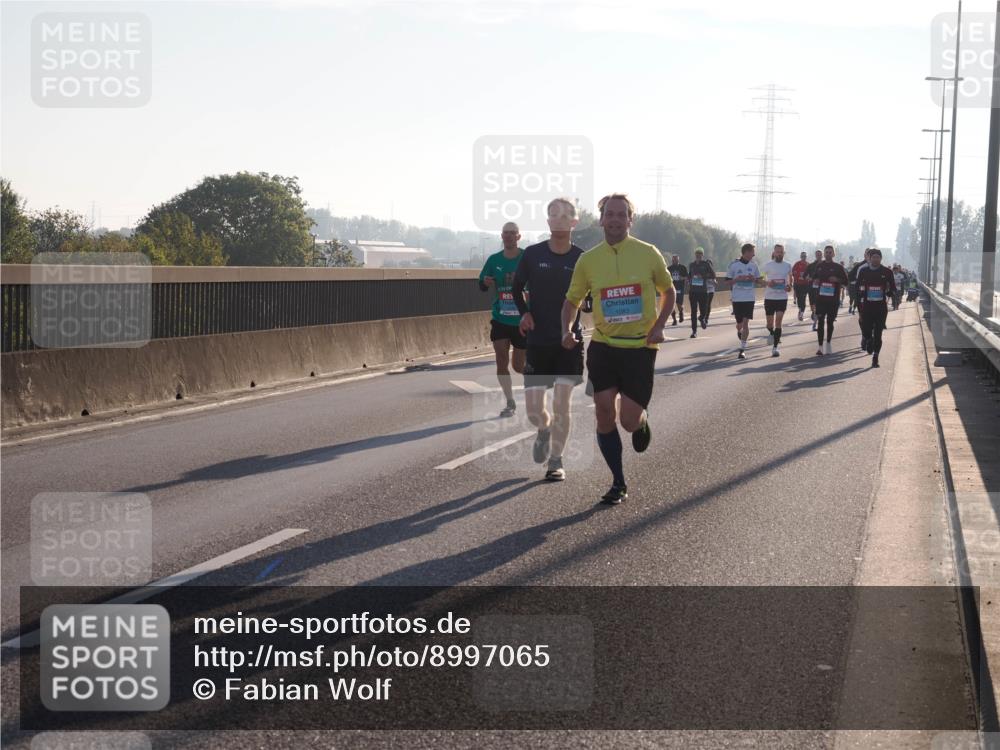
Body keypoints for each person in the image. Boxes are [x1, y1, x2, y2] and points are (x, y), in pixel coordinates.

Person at [563, 193, 675, 506]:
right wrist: (566, 328)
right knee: (602, 410)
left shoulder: (648, 253)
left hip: (640, 347)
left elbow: (669, 291)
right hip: (604, 346)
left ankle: (640, 420)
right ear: (601, 219)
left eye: (620, 215)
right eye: (609, 214)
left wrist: (659, 325)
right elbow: (572, 300)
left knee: (627, 420)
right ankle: (618, 481)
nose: (614, 220)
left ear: (630, 220)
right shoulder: (588, 260)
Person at [512, 198, 585, 481]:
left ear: (574, 222)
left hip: (568, 342)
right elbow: (517, 288)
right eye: (553, 214)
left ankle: (556, 460)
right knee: (534, 412)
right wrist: (524, 314)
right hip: (538, 341)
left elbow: (590, 293)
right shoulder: (532, 254)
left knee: (562, 404)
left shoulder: (582, 258)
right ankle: (543, 429)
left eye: (565, 215)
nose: (558, 219)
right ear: (547, 221)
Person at [478, 222, 525, 417]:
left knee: (518, 366)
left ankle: (536, 381)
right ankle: (510, 401)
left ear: (518, 236)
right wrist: (485, 282)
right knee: (501, 361)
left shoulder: (526, 258)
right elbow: (481, 283)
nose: (508, 236)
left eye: (512, 233)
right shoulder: (494, 260)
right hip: (500, 318)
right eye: (505, 233)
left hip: (522, 320)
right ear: (501, 236)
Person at [856, 249, 897, 368]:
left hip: (880, 308)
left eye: (877, 257)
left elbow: (893, 287)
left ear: (881, 258)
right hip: (867, 306)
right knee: (866, 329)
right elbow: (858, 287)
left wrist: (890, 293)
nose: (875, 259)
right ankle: (868, 339)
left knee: (878, 333)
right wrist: (860, 295)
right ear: (869, 258)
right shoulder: (864, 271)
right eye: (873, 257)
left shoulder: (887, 271)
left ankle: (875, 357)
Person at [811, 245, 849, 355]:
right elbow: (814, 278)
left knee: (830, 322)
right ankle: (820, 347)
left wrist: (837, 279)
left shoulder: (838, 267)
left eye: (830, 252)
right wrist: (816, 280)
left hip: (833, 300)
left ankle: (828, 343)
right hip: (821, 299)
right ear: (824, 253)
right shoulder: (819, 266)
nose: (828, 254)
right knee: (821, 322)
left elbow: (846, 282)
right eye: (826, 252)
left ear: (833, 254)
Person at [726, 243, 761, 360]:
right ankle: (739, 330)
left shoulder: (754, 265)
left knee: (746, 323)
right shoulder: (734, 265)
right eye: (752, 252)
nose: (754, 254)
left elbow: (759, 280)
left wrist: (754, 279)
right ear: (746, 252)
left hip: (749, 298)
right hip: (737, 298)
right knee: (739, 324)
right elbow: (727, 282)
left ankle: (742, 349)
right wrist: (737, 279)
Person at [762, 244, 792, 357]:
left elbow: (790, 279)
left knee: (778, 322)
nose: (779, 254)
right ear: (774, 253)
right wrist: (768, 283)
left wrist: (789, 286)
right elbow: (760, 279)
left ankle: (775, 348)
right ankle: (771, 332)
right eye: (777, 252)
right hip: (769, 297)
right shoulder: (768, 265)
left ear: (784, 253)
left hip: (782, 298)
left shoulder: (788, 265)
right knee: (770, 324)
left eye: (781, 252)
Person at [687, 247, 716, 337]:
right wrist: (688, 280)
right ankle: (694, 331)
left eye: (700, 253)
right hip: (693, 291)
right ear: (695, 255)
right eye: (697, 253)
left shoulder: (706, 264)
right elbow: (689, 275)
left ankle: (702, 318)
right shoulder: (691, 265)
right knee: (693, 312)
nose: (698, 255)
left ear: (702, 255)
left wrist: (702, 276)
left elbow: (713, 274)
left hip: (703, 291)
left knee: (703, 309)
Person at [849, 249, 872, 350]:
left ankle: (871, 335)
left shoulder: (880, 267)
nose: (871, 257)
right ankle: (864, 335)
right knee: (862, 318)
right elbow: (850, 277)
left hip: (876, 298)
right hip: (862, 297)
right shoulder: (860, 267)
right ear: (865, 256)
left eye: (873, 255)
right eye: (868, 254)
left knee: (874, 318)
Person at [805, 249, 824, 331]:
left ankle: (815, 324)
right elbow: (805, 275)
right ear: (815, 255)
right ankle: (814, 313)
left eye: (820, 254)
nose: (819, 256)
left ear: (822, 255)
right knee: (813, 305)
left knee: (819, 307)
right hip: (812, 288)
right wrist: (809, 278)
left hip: (823, 289)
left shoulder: (825, 265)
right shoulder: (811, 265)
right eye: (817, 255)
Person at [666, 255, 687, 325]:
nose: (674, 261)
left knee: (679, 304)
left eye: (676, 260)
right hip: (672, 288)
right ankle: (674, 320)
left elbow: (687, 277)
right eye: (673, 260)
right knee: (671, 305)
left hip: (680, 288)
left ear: (678, 260)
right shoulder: (669, 268)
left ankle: (681, 312)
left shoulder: (682, 267)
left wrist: (682, 278)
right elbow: (665, 278)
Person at [791, 251, 810, 321]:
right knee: (799, 299)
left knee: (803, 299)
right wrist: (796, 275)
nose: (803, 257)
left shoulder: (808, 264)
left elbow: (811, 274)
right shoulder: (797, 264)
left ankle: (801, 313)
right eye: (802, 256)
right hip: (797, 284)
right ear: (800, 257)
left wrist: (807, 277)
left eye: (804, 256)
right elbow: (792, 272)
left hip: (805, 285)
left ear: (806, 257)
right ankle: (800, 310)